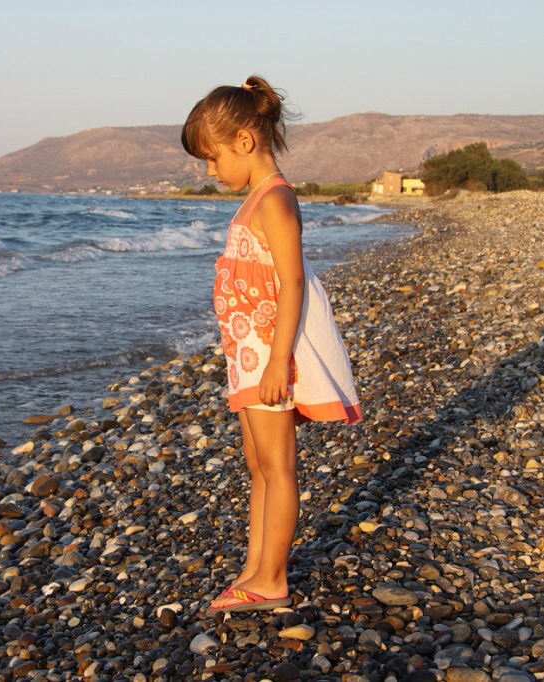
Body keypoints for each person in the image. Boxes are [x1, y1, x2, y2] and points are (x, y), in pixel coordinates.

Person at [181, 75, 362, 614]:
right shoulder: (254, 201)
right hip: (248, 356)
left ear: (244, 140)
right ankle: (255, 567)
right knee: (258, 465)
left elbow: (292, 281)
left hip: (267, 357)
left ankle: (273, 578)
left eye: (212, 159)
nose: (210, 172)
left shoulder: (275, 200)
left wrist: (279, 360)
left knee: (278, 467)